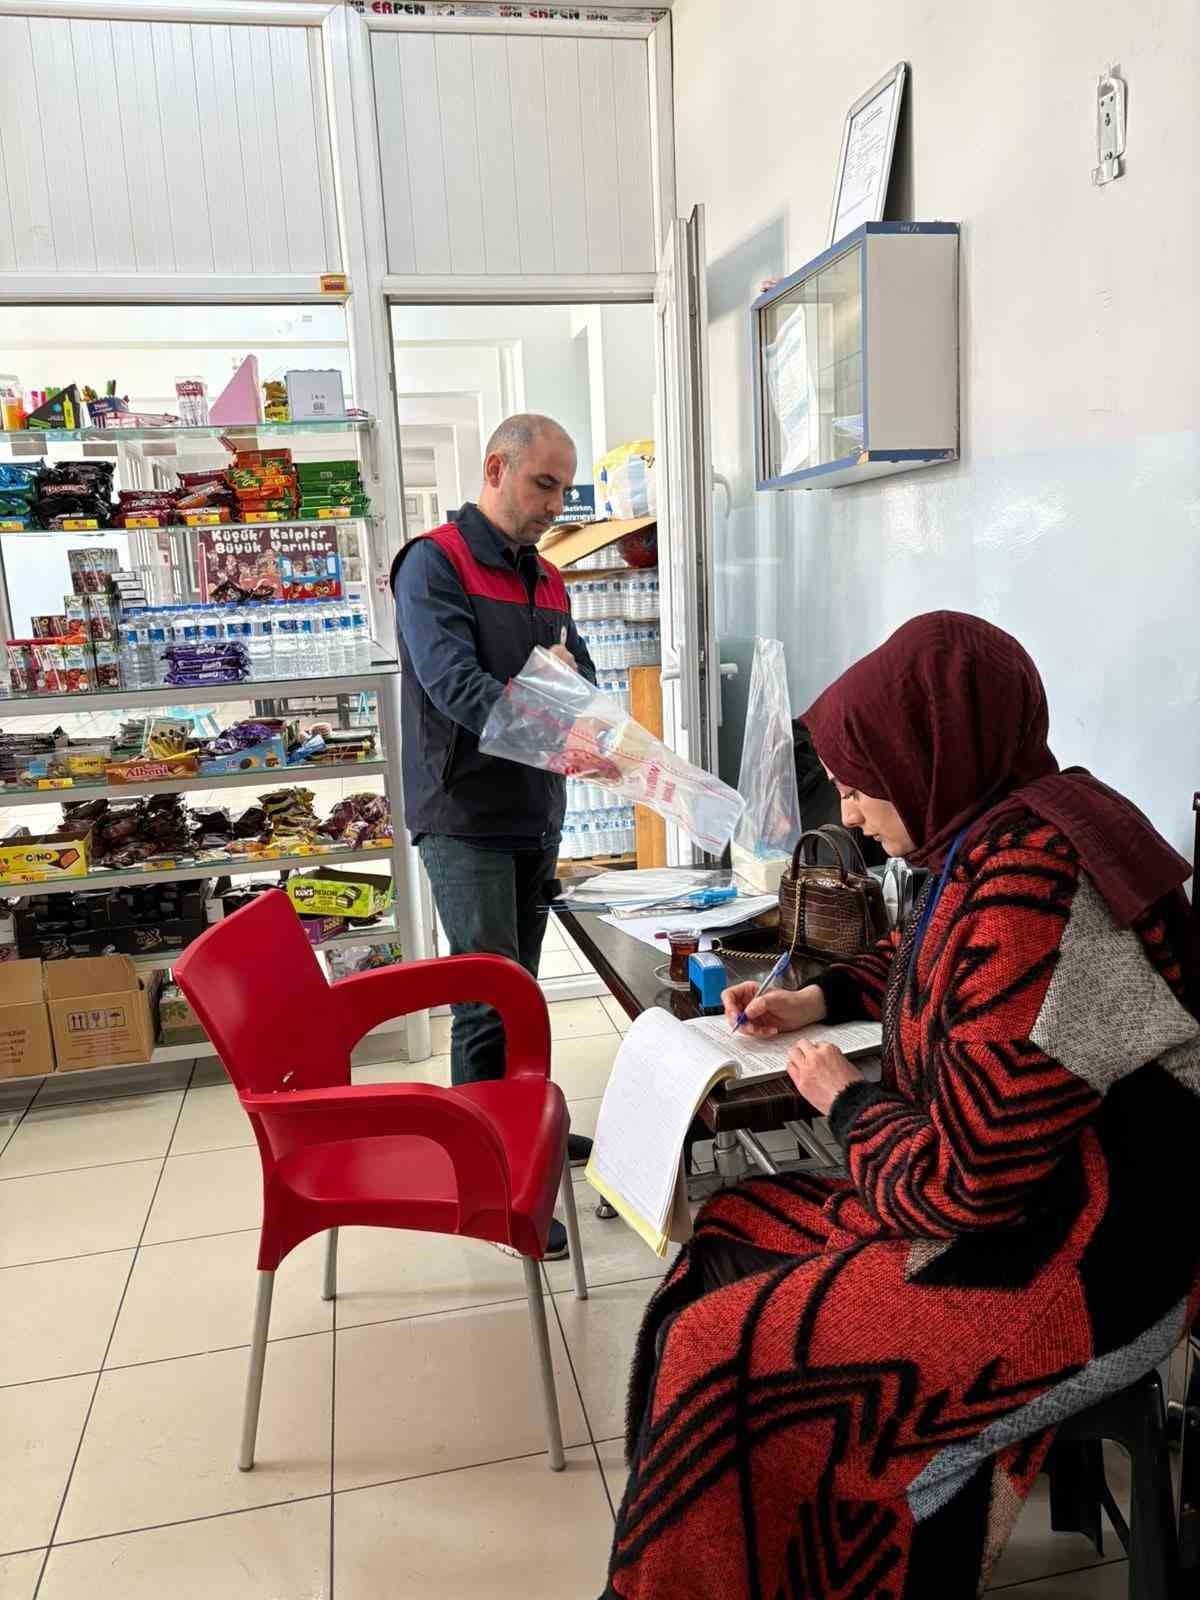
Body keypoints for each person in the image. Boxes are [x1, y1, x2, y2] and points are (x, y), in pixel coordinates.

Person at [602, 611, 1200, 1599]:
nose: (847, 798)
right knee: (727, 1234)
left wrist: (844, 1105)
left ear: (937, 752)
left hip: (1090, 1262)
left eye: (860, 774)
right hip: (1042, 1204)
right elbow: (941, 965)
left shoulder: (1030, 884)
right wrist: (821, 997)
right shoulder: (1006, 831)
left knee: (725, 1354)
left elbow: (963, 1186)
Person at [392, 414, 597, 1260]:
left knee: (524, 989)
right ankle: (488, 1182)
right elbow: (455, 686)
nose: (553, 503)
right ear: (496, 469)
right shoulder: (433, 563)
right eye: (542, 484)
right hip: (466, 816)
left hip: (533, 809)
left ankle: (526, 1129)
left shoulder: (548, 578)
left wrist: (609, 735)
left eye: (562, 488)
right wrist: (558, 736)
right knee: (487, 1000)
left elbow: (578, 674)